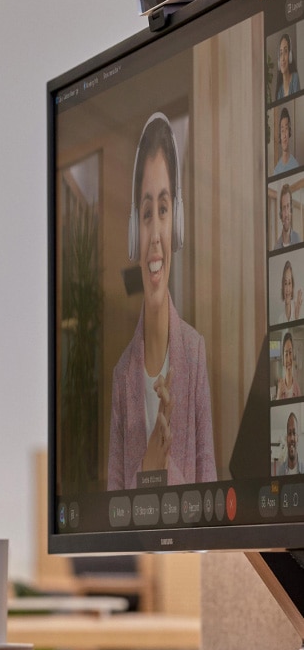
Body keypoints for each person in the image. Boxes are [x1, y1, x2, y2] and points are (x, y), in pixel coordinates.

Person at [108, 112, 216, 491]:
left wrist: (161, 468)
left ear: (177, 222)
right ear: (135, 231)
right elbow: (112, 522)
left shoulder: (195, 352)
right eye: (147, 211)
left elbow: (211, 511)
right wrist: (150, 462)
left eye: (165, 209)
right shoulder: (122, 377)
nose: (155, 234)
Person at [276, 105, 301, 175]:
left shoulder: (295, 165)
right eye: (282, 130)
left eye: (286, 129)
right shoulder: (276, 170)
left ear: (289, 131)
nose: (284, 135)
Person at [277, 33, 301, 101]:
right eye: (281, 53)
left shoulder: (295, 78)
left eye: (285, 51)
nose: (282, 58)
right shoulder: (280, 91)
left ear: (290, 56)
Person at [279, 182, 302, 250]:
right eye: (283, 208)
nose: (286, 214)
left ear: (291, 210)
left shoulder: (299, 241)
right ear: (280, 213)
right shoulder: (276, 247)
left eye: (288, 206)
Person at [280, 332, 301, 401]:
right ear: (283, 358)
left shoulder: (297, 389)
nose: (289, 358)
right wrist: (278, 396)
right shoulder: (280, 388)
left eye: (290, 352)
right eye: (286, 354)